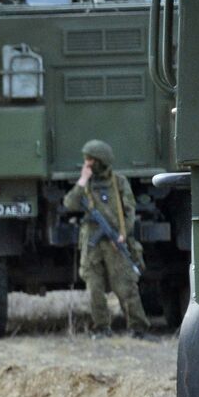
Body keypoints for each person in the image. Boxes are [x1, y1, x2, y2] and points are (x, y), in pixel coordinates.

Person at [63, 139, 149, 338]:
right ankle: (101, 327)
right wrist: (82, 180)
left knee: (125, 285)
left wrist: (123, 233)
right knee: (94, 287)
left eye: (91, 160)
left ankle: (138, 327)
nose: (87, 163)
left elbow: (129, 211)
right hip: (92, 242)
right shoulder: (85, 184)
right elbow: (70, 204)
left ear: (101, 161)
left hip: (115, 241)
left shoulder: (119, 182)